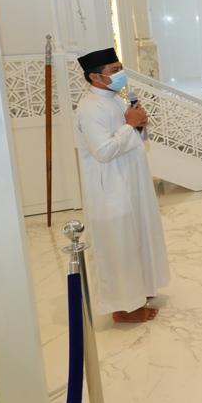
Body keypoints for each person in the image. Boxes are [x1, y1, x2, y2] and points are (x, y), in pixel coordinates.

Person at [74, 48, 169, 323]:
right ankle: (123, 308)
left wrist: (138, 125)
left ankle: (139, 293)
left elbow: (128, 134)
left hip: (130, 183)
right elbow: (103, 151)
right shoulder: (90, 108)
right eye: (114, 70)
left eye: (120, 68)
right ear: (95, 77)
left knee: (136, 238)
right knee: (118, 246)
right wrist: (130, 125)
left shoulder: (115, 100)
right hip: (110, 187)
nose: (120, 74)